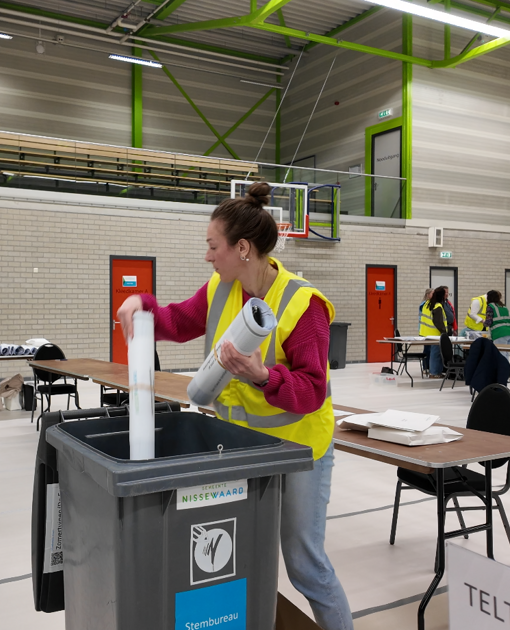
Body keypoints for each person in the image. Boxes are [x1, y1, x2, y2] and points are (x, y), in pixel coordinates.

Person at [115, 182, 354, 630]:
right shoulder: (222, 289)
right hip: (244, 446)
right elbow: (178, 320)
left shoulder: (303, 305)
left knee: (304, 564)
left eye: (213, 246)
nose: (208, 256)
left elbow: (312, 390)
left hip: (299, 450)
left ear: (242, 248)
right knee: (242, 557)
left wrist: (262, 376)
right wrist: (140, 304)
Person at [419, 286, 449, 377]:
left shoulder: (426, 303)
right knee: (435, 355)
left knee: (429, 353)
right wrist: (444, 332)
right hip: (435, 334)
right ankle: (435, 373)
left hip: (425, 333)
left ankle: (429, 370)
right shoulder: (437, 306)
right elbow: (438, 322)